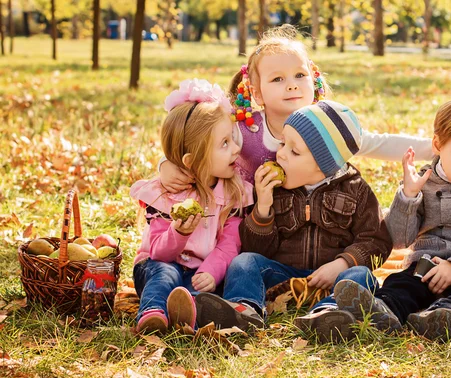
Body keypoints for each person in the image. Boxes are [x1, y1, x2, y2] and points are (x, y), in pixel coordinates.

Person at [195, 100, 393, 343]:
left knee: (361, 274)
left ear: (325, 166)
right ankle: (244, 309)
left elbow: (376, 241)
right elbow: (257, 249)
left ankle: (329, 313)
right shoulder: (275, 189)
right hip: (285, 278)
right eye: (282, 144)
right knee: (244, 261)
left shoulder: (356, 191)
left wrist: (342, 264)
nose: (281, 154)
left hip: (332, 279)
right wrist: (263, 209)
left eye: (294, 151)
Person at [158, 25, 433, 191]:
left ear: (313, 79)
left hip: (313, 226)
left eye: (299, 76)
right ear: (256, 92)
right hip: (252, 225)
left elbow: (376, 143)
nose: (292, 85)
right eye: (278, 79)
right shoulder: (245, 129)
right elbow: (199, 147)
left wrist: (433, 148)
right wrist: (165, 165)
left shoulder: (326, 125)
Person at [334, 96, 451, 341]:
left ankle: (447, 315)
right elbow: (400, 240)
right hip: (425, 268)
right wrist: (408, 197)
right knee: (401, 282)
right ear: (437, 145)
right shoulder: (422, 183)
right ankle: (385, 311)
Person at [130, 79, 253, 334]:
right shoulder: (166, 195)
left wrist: (212, 270)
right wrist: (180, 232)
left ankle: (187, 315)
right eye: (225, 144)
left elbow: (230, 242)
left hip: (201, 269)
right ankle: (153, 314)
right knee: (166, 275)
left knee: (201, 291)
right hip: (156, 267)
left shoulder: (232, 193)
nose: (236, 149)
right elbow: (158, 254)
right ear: (192, 160)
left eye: (232, 139)